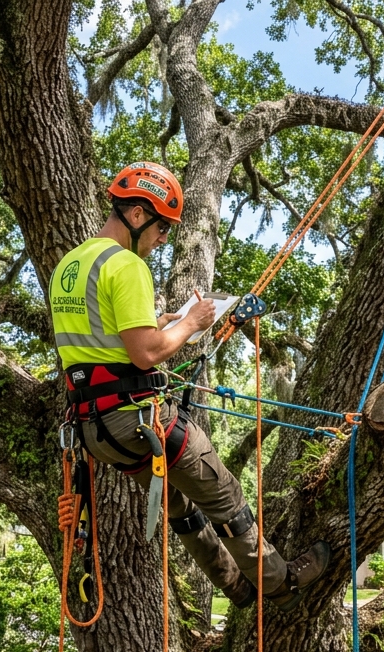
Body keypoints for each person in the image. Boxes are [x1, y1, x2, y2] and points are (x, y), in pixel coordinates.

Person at [49, 161, 331, 612]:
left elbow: (100, 339)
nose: (164, 238)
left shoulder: (70, 264)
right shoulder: (126, 265)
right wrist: (194, 322)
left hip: (95, 432)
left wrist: (159, 322)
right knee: (227, 498)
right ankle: (280, 583)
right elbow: (146, 354)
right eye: (162, 227)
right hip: (139, 420)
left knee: (179, 508)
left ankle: (236, 588)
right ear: (137, 215)